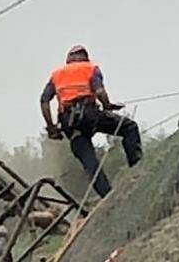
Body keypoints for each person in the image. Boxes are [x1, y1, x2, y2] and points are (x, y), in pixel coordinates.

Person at [40, 45, 142, 197]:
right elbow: (99, 91)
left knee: (89, 161)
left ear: (68, 59)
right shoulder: (91, 68)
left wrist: (52, 128)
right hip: (91, 115)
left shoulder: (57, 75)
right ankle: (138, 170)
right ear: (85, 57)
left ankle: (107, 196)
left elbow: (44, 101)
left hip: (70, 123)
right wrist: (108, 106)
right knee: (129, 128)